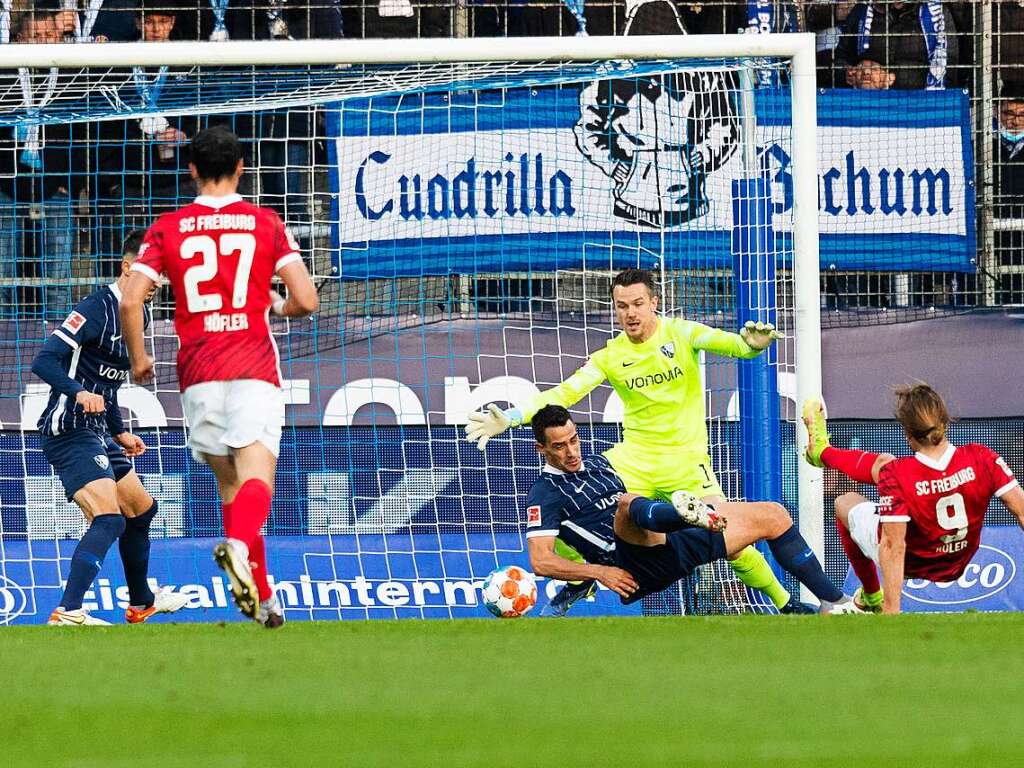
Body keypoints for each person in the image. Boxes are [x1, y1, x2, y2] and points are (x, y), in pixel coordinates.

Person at [468, 268, 855, 615]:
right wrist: (514, 417)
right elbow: (566, 393)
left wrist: (751, 345)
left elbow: (734, 346)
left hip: (687, 463)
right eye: (622, 306)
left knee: (733, 542)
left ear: (654, 302)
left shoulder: (682, 333)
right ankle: (578, 579)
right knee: (571, 494)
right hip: (633, 459)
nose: (630, 313)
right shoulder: (609, 355)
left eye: (638, 303)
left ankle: (785, 603)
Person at [120, 127, 319, 628]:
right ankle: (236, 548)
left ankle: (263, 598)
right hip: (252, 364)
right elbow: (308, 300)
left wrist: (140, 360)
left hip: (198, 371)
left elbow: (129, 298)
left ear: (190, 170)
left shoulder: (168, 227)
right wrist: (280, 304)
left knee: (231, 489)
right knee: (257, 482)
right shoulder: (264, 223)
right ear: (242, 167)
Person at [526, 406, 856, 613]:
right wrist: (598, 573)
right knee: (627, 503)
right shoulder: (544, 493)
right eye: (559, 445)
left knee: (774, 515)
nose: (571, 451)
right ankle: (683, 513)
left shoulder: (599, 463)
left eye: (574, 440)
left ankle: (836, 603)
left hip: (668, 546)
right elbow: (541, 560)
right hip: (631, 566)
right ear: (541, 448)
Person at [32, 230, 189, 626]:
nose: (158, 282)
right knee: (110, 518)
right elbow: (44, 361)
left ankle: (141, 603)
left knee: (141, 510)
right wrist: (78, 392)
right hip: (68, 428)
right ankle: (68, 611)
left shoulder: (141, 314)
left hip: (99, 430)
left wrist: (119, 431)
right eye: (153, 273)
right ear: (127, 267)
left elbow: (110, 385)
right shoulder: (94, 308)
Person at [803, 384, 1024, 614]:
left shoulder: (897, 475)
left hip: (913, 563)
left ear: (908, 435)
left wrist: (892, 612)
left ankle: (871, 595)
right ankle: (822, 453)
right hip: (959, 559)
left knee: (844, 503)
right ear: (945, 422)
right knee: (885, 464)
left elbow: (893, 546)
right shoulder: (982, 457)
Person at [838, 1, 959, 91]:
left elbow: (949, 63)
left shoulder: (936, 13)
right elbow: (840, 57)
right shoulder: (861, 12)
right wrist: (846, 73)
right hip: (866, 102)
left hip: (919, 104)